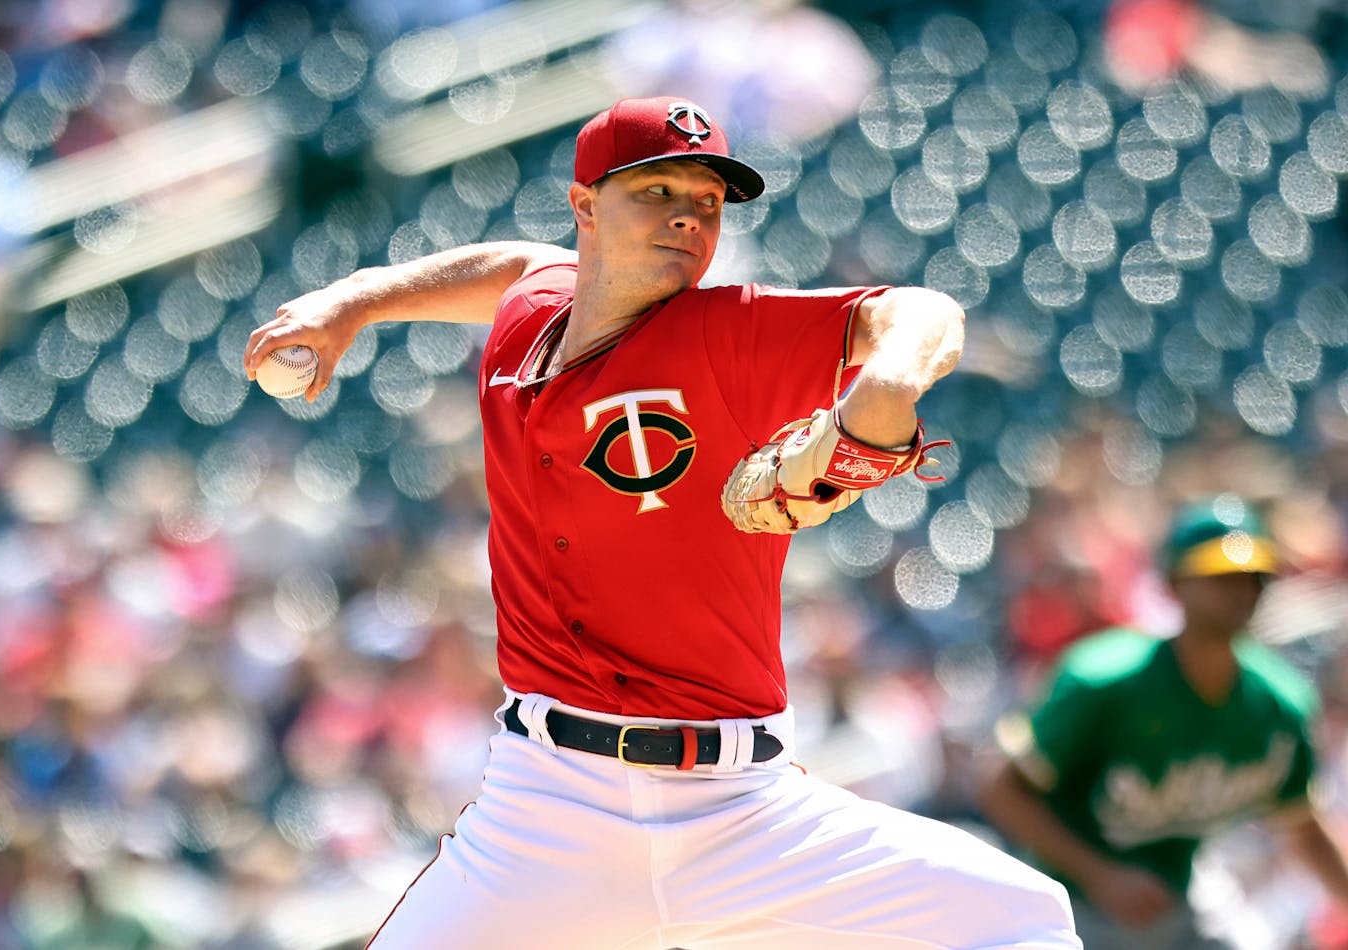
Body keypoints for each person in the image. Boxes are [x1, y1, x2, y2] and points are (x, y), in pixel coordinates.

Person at [246, 95, 1078, 949]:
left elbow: (922, 314)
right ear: (585, 209)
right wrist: (355, 301)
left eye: (708, 203)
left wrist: (887, 387)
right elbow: (509, 266)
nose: (688, 217)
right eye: (658, 192)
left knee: (1023, 919)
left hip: (742, 813)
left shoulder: (726, 333)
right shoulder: (531, 316)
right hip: (549, 807)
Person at [977, 495, 1348, 949]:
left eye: (1253, 576)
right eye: (1220, 576)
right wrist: (1101, 876)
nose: (1240, 590)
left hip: (1181, 891)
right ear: (1173, 583)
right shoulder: (1104, 682)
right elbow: (1000, 789)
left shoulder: (1280, 704)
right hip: (1071, 901)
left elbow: (1303, 829)